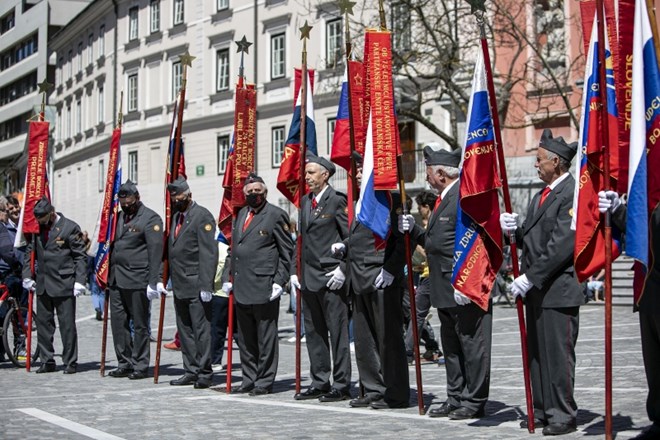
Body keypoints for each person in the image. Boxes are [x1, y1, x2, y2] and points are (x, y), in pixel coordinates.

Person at [401, 146, 492, 420]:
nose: (426, 177)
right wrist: (415, 229)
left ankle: (473, 400)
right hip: (443, 287)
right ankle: (455, 397)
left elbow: (476, 242)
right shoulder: (443, 199)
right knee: (451, 348)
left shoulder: (464, 197)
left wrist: (468, 282)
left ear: (440, 173)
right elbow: (435, 244)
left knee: (471, 346)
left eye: (429, 171)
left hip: (463, 286)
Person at [500, 129, 581, 436]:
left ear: (556, 163)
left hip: (557, 290)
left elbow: (563, 244)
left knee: (558, 357)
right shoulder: (540, 195)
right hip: (537, 291)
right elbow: (531, 241)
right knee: (537, 353)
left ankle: (562, 413)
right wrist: (513, 229)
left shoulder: (570, 193)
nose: (535, 165)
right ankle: (543, 408)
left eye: (539, 160)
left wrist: (530, 277)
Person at [333, 152, 410, 410]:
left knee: (389, 339)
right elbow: (360, 238)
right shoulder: (359, 202)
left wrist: (390, 269)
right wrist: (344, 247)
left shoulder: (392, 198)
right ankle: (374, 389)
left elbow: (401, 241)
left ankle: (396, 393)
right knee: (365, 342)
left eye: (360, 169)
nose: (356, 173)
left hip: (381, 278)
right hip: (359, 277)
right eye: (355, 170)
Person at [598, 190, 660, 440]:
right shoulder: (653, 203)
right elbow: (643, 235)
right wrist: (619, 211)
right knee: (655, 364)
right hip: (651, 291)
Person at [226, 173, 293, 396]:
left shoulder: (275, 215)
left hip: (264, 285)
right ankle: (249, 377)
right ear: (244, 194)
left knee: (265, 337)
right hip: (242, 285)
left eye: (258, 192)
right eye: (250, 192)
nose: (254, 195)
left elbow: (287, 253)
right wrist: (229, 277)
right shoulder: (241, 214)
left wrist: (279, 281)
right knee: (244, 338)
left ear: (265, 193)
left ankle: (264, 380)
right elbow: (233, 250)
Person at [291, 155, 351, 402]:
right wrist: (295, 271)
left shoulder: (337, 201)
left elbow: (351, 238)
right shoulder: (305, 202)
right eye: (306, 173)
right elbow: (301, 240)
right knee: (314, 333)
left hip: (330, 277)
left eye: (312, 173)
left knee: (337, 333)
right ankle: (319, 381)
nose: (307, 177)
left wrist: (343, 269)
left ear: (325, 175)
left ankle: (342, 383)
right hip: (308, 277)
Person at [22, 197, 87, 374]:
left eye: (42, 218)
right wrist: (27, 275)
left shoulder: (69, 227)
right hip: (43, 283)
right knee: (44, 325)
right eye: (38, 219)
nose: (40, 222)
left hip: (63, 283)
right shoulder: (36, 230)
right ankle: (47, 360)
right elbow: (30, 252)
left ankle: (70, 361)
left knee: (66, 325)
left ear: (51, 213)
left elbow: (80, 256)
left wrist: (80, 281)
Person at [106, 181, 163, 380]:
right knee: (118, 323)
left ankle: (140, 364)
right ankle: (124, 362)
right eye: (122, 202)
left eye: (128, 202)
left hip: (138, 278)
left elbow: (156, 252)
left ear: (137, 198)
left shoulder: (150, 218)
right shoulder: (117, 217)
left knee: (139, 324)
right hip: (116, 278)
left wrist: (154, 281)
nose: (125, 206)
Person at [167, 177, 218, 389]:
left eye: (178, 197)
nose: (175, 201)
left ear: (188, 195)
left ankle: (205, 372)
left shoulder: (201, 216)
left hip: (197, 283)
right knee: (185, 330)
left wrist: (206, 285)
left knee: (201, 331)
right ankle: (190, 369)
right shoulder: (177, 217)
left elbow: (208, 253)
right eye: (173, 198)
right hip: (179, 284)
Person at [404, 190, 443, 364]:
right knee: (419, 313)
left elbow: (429, 248)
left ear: (426, 207)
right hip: (427, 272)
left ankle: (407, 351)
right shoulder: (432, 221)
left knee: (417, 313)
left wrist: (415, 245)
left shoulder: (433, 223)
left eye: (420, 207)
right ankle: (429, 347)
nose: (419, 211)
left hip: (430, 275)